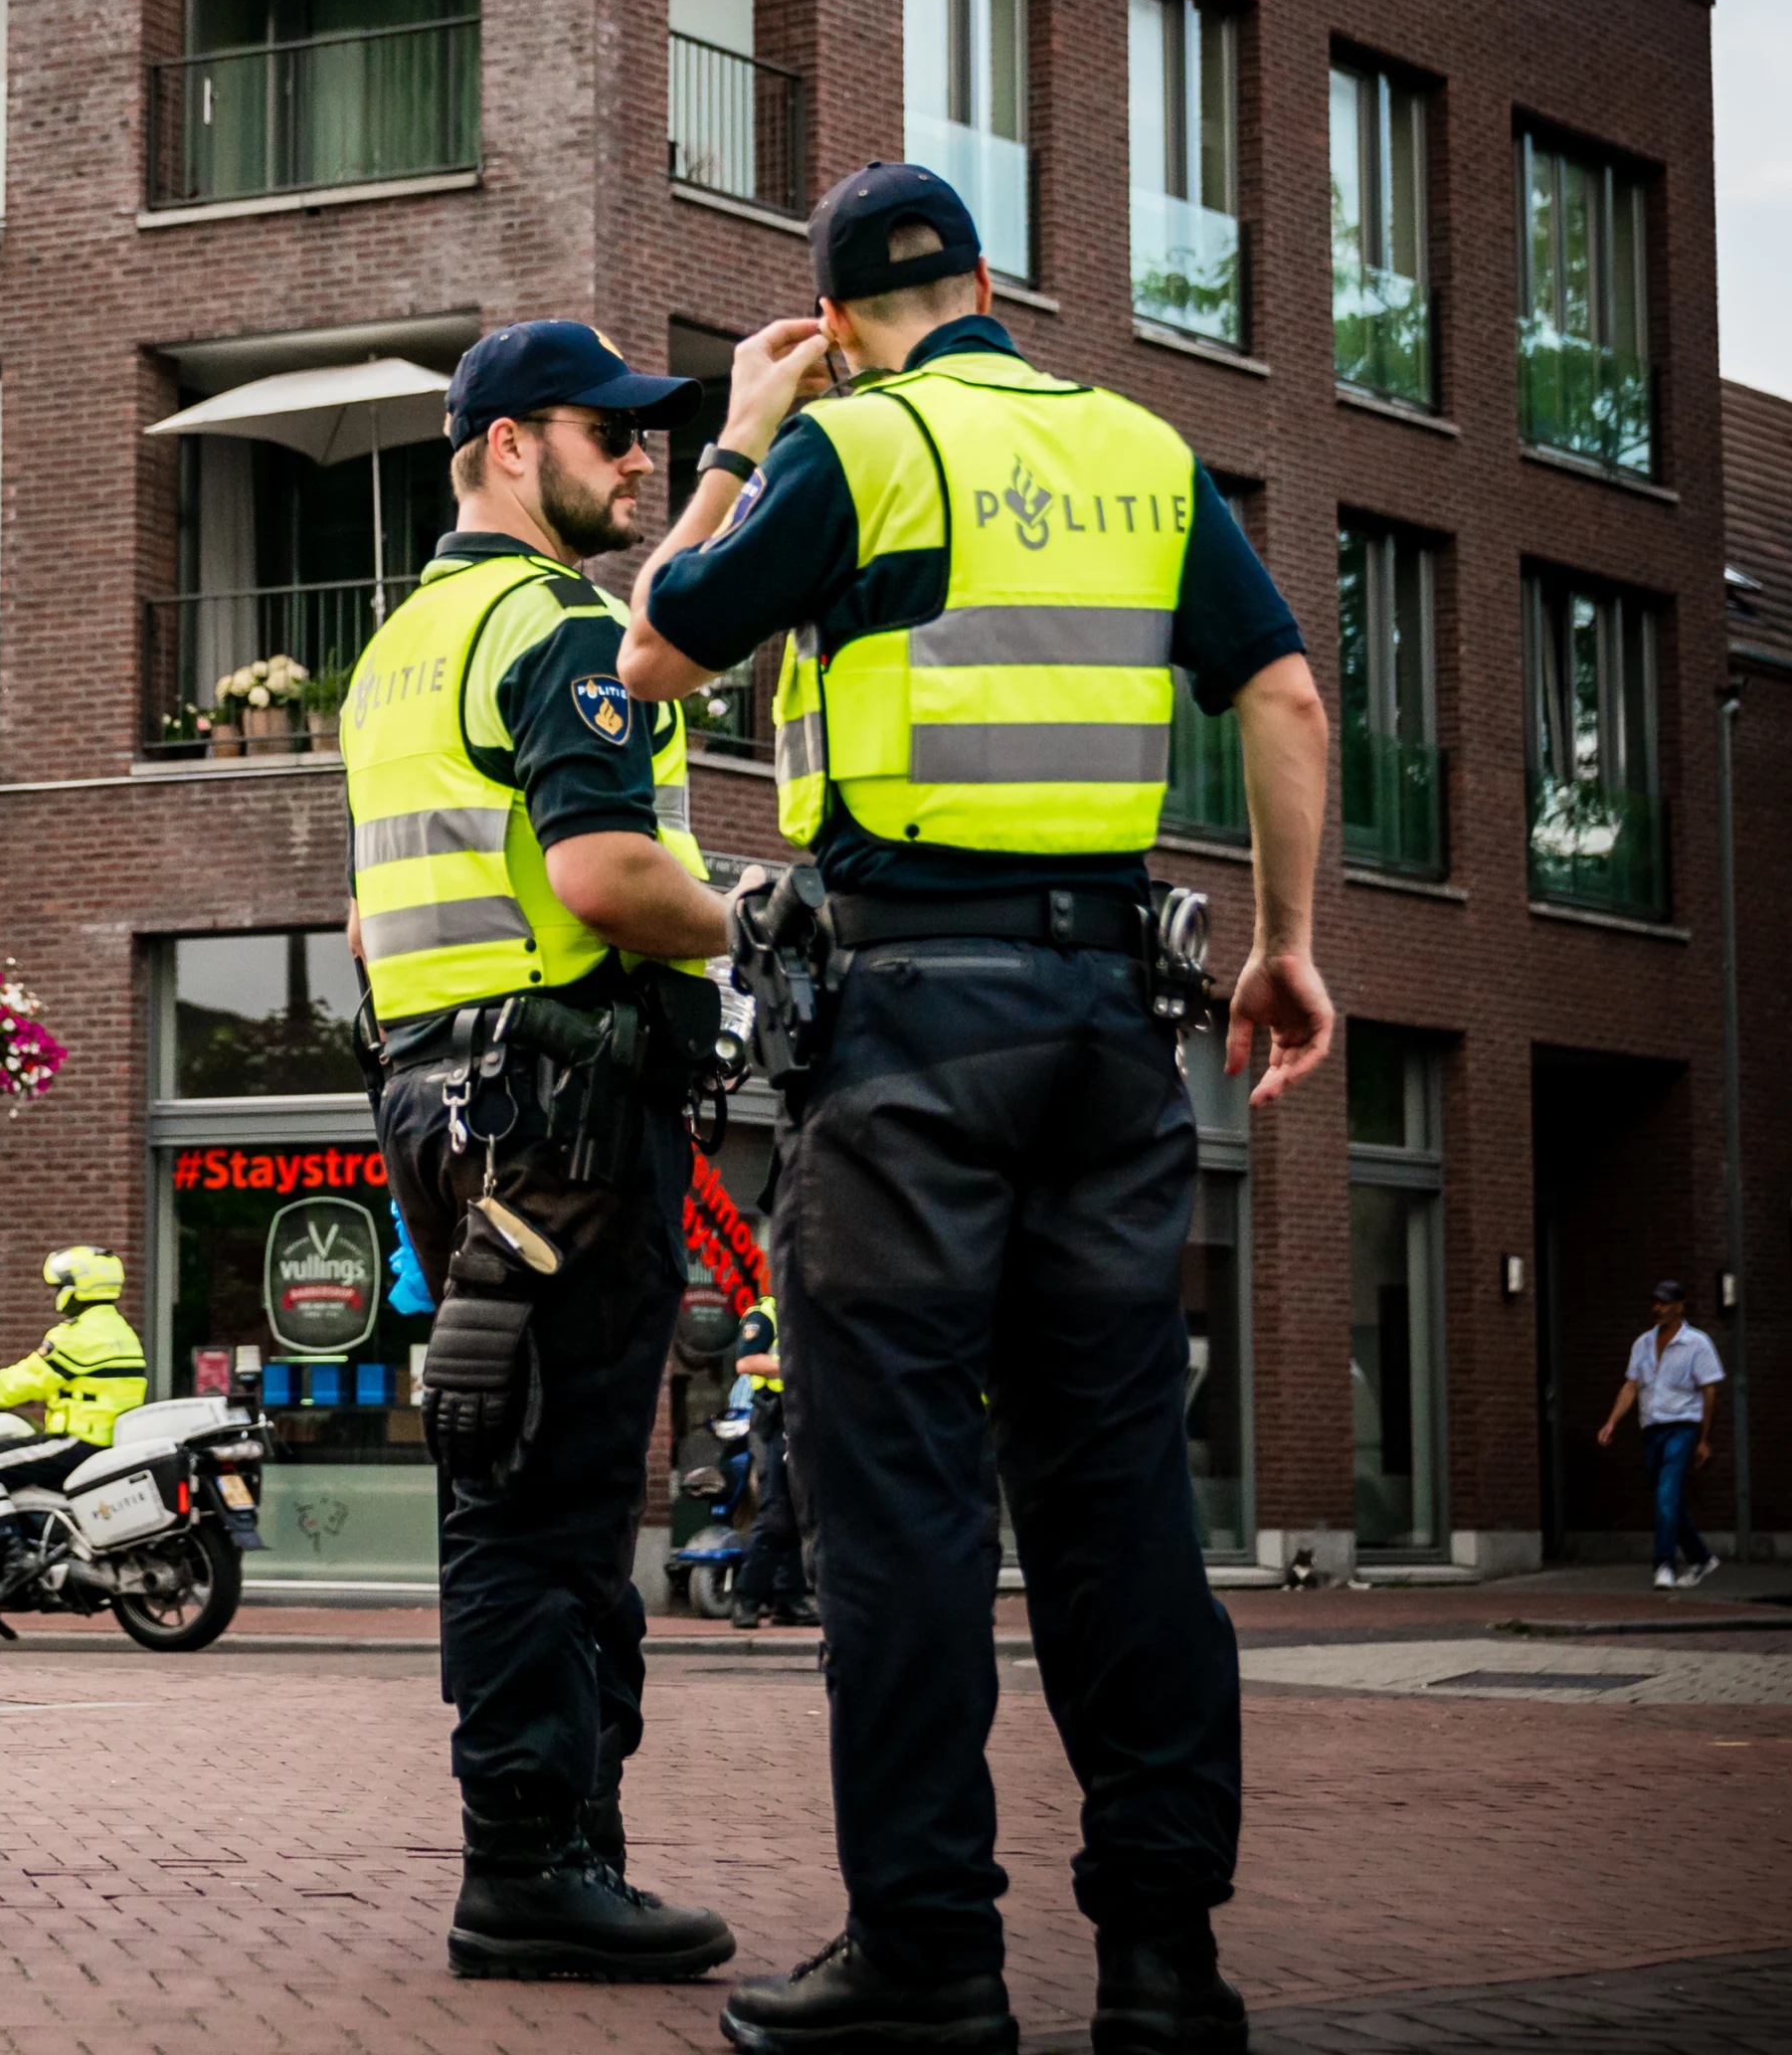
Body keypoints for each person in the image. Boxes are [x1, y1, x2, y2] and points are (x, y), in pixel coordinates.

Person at [619, 161, 1336, 2055]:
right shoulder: (1144, 454)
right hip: (1111, 1030)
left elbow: (653, 651)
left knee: (906, 1505)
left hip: (909, 1036)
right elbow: (1283, 698)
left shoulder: (857, 452)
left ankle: (929, 1953)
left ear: (839, 325)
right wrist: (1284, 947)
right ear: (993, 285)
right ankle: (1164, 1960)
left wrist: (743, 435)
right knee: (1119, 1501)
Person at [337, 319, 742, 1986]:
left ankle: (559, 1849)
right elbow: (601, 875)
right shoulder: (556, 628)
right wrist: (765, 925)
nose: (640, 459)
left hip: (451, 1107)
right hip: (564, 1116)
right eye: (611, 433)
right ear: (511, 445)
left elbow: (365, 922)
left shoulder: (402, 646)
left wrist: (732, 470)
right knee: (556, 1512)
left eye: (654, 440)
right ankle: (533, 1866)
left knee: (514, 1485)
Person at [0, 1245, 151, 1595]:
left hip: (77, 1440)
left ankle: (13, 1556)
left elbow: (20, 1382)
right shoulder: (122, 1331)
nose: (57, 1294)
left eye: (59, 1286)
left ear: (77, 1288)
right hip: (106, 1441)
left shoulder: (77, 1336)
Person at [1597, 1278, 1725, 1589]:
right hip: (1652, 1428)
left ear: (1680, 1306)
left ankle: (1664, 1565)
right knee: (1666, 1498)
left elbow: (1709, 1391)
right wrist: (1612, 1421)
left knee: (1667, 1494)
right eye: (1655, 1302)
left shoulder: (1697, 1343)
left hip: (1683, 1425)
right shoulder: (1642, 1344)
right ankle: (1701, 1558)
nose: (1658, 1308)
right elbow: (1631, 1385)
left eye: (1665, 1303)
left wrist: (1703, 1438)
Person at [724, 1289, 808, 1632]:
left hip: (804, 1419)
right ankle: (746, 1599)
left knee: (796, 1511)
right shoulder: (767, 1312)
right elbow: (746, 1362)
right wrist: (796, 1367)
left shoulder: (810, 1309)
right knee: (776, 1512)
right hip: (775, 1421)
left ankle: (789, 1599)